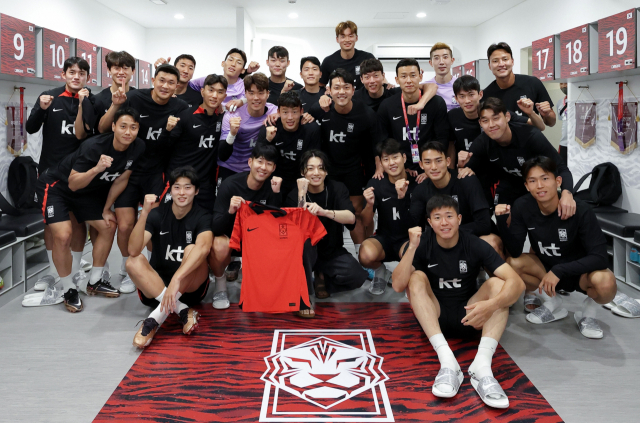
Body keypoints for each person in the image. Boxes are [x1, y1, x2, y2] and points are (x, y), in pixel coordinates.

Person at [392, 194, 524, 409]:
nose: (444, 223)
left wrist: (491, 305)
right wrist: (412, 247)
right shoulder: (423, 244)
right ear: (429, 222)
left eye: (449, 216)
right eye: (437, 218)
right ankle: (447, 362)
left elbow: (517, 283)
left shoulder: (474, 243)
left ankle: (482, 368)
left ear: (459, 219)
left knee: (498, 284)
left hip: (471, 315)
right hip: (434, 317)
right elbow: (398, 285)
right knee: (415, 278)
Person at [34, 107, 145, 312]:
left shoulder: (138, 146)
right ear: (113, 127)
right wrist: (97, 169)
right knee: (63, 235)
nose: (128, 132)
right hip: (57, 187)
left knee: (108, 225)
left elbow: (122, 179)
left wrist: (106, 208)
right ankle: (68, 289)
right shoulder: (94, 146)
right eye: (123, 126)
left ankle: (94, 280)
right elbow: (73, 183)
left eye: (133, 127)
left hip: (85, 193)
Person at [498, 156, 616, 339]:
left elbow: (600, 257)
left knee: (606, 283)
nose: (539, 185)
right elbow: (514, 251)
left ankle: (588, 312)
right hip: (545, 270)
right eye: (532, 181)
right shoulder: (522, 206)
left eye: (545, 178)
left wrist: (560, 270)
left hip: (579, 273)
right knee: (512, 264)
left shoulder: (581, 210)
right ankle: (553, 302)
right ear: (527, 186)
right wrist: (501, 220)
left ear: (558, 181)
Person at [100, 64, 190, 293]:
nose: (165, 86)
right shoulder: (134, 98)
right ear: (153, 80)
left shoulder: (180, 107)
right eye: (162, 80)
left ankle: (151, 266)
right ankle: (127, 268)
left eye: (171, 83)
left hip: (156, 173)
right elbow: (107, 128)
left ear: (177, 86)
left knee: (152, 223)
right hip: (128, 171)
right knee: (125, 225)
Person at [26, 57, 93, 292]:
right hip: (51, 173)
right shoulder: (49, 97)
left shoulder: (91, 100)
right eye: (72, 72)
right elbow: (31, 128)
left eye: (81, 73)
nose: (76, 76)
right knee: (52, 223)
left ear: (87, 77)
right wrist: (40, 108)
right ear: (63, 74)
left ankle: (74, 269)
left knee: (77, 221)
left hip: (79, 173)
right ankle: (53, 272)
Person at [127, 167, 213, 348]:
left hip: (189, 289)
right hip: (155, 288)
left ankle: (154, 319)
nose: (182, 192)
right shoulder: (157, 214)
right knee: (132, 261)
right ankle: (182, 310)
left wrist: (177, 279)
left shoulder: (203, 216)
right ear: (170, 190)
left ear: (196, 191)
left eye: (187, 187)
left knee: (192, 249)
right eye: (177, 187)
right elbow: (133, 250)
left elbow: (204, 248)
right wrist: (144, 213)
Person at [307, 68, 383, 255]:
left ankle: (362, 255)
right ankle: (326, 254)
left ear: (353, 90)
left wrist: (379, 167)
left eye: (346, 87)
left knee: (355, 212)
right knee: (326, 210)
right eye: (337, 87)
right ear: (329, 90)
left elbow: (377, 144)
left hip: (354, 169)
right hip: (327, 170)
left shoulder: (366, 114)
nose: (341, 92)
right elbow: (302, 122)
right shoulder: (320, 109)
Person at [458, 98, 574, 215]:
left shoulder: (531, 136)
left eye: (496, 118)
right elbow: (464, 169)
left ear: (507, 117)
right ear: (480, 123)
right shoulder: (482, 142)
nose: (491, 125)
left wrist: (567, 194)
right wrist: (463, 166)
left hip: (537, 185)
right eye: (485, 121)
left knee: (553, 212)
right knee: (502, 215)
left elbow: (561, 167)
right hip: (510, 186)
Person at [209, 144, 283, 309]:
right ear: (250, 162)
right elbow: (216, 227)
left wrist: (276, 195)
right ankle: (220, 287)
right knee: (218, 245)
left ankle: (256, 283)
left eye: (269, 164)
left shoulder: (273, 187)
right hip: (232, 239)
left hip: (258, 241)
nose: (263, 167)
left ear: (274, 168)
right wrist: (230, 211)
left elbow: (276, 227)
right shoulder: (230, 184)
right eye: (260, 161)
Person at [286, 150, 367, 299]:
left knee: (357, 276)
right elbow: (296, 230)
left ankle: (322, 277)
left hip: (332, 251)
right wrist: (301, 195)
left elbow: (351, 218)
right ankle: (306, 291)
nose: (316, 173)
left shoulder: (337, 188)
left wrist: (324, 212)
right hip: (306, 253)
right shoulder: (294, 194)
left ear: (326, 171)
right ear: (302, 172)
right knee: (299, 255)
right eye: (310, 168)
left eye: (321, 168)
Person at [410, 142, 502, 256]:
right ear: (421, 165)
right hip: (443, 238)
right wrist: (400, 199)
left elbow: (484, 224)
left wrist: (450, 232)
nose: (433, 167)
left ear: (448, 161)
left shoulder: (466, 180)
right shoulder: (420, 190)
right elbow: (414, 227)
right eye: (428, 162)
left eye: (438, 161)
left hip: (473, 235)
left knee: (492, 243)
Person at [360, 139, 417, 295]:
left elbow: (417, 220)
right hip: (385, 238)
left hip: (408, 240)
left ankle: (409, 279)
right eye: (386, 159)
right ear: (381, 163)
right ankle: (381, 272)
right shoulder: (376, 183)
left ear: (404, 158)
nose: (391, 163)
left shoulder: (417, 182)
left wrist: (402, 197)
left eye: (395, 157)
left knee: (416, 255)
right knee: (365, 255)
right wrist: (369, 204)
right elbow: (365, 222)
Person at [164, 74, 228, 210]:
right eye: (211, 90)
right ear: (202, 91)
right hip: (180, 180)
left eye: (220, 92)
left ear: (224, 96)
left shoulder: (224, 119)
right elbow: (165, 147)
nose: (214, 96)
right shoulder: (185, 116)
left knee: (206, 221)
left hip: (205, 185)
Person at [448, 75, 543, 166]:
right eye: (462, 96)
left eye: (471, 95)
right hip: (469, 165)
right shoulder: (452, 116)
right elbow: (450, 144)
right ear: (456, 99)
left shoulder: (496, 112)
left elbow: (540, 127)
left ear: (480, 94)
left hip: (497, 166)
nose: (467, 101)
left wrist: (531, 113)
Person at [378, 59, 449, 178]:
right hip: (400, 167)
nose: (409, 81)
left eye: (413, 75)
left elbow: (442, 139)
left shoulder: (436, 103)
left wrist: (430, 169)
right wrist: (399, 168)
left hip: (430, 166)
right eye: (403, 76)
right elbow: (384, 141)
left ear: (420, 77)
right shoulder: (387, 106)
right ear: (397, 80)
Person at [217, 73, 278, 185]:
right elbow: (223, 155)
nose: (256, 97)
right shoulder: (232, 115)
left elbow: (291, 113)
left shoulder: (274, 111)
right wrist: (232, 134)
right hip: (230, 167)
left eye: (261, 93)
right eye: (251, 93)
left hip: (257, 170)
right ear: (245, 94)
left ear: (268, 94)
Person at [257, 91, 321, 197]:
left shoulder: (312, 129)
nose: (290, 117)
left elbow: (315, 160)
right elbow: (257, 157)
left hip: (302, 181)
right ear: (278, 112)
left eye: (294, 112)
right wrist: (267, 140)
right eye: (285, 112)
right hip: (274, 179)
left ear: (301, 111)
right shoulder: (269, 127)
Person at [483, 42, 556, 127]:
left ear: (512, 61)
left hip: (531, 135)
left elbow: (551, 123)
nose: (501, 64)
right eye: (495, 61)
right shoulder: (486, 96)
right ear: (489, 66)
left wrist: (547, 114)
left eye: (505, 59)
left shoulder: (533, 83)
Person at [354, 58, 437, 113]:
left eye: (376, 76)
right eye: (367, 77)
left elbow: (432, 86)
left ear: (383, 76)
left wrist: (421, 103)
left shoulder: (393, 92)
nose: (372, 81)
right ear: (361, 79)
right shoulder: (355, 97)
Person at [189, 48, 260, 111]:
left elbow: (258, 99)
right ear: (223, 63)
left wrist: (242, 101)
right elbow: (187, 86)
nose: (233, 64)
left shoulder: (246, 86)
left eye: (239, 62)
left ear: (243, 70)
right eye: (230, 60)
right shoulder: (209, 80)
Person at [319, 20, 375, 90]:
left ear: (356, 38)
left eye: (350, 36)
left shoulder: (367, 58)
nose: (347, 40)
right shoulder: (328, 61)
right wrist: (326, 93)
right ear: (337, 39)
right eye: (343, 36)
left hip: (363, 97)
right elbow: (320, 85)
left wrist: (386, 85)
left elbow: (378, 78)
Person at [93, 51, 136, 134]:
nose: (121, 72)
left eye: (125, 68)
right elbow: (101, 130)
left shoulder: (138, 97)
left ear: (133, 71)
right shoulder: (98, 99)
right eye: (116, 68)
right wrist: (115, 105)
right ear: (109, 70)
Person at [426, 42, 459, 111]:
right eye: (436, 58)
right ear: (431, 63)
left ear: (452, 60)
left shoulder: (461, 85)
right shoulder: (426, 87)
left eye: (445, 57)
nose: (441, 62)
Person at [558, 83, 568, 163]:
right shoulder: (559, 102)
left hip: (579, 143)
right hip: (564, 143)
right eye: (561, 84)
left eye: (566, 83)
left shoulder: (581, 100)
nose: (564, 86)